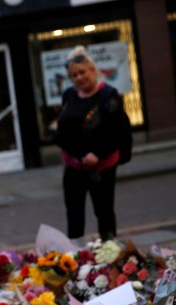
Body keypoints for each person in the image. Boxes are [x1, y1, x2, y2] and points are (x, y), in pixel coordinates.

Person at [53, 46, 132, 244]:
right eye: (74, 75)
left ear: (92, 70)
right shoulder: (69, 95)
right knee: (74, 215)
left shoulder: (108, 95)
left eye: (82, 72)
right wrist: (79, 154)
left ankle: (109, 252)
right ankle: (76, 257)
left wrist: (98, 154)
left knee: (104, 212)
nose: (79, 78)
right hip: (73, 166)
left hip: (101, 167)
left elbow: (118, 131)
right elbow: (62, 131)